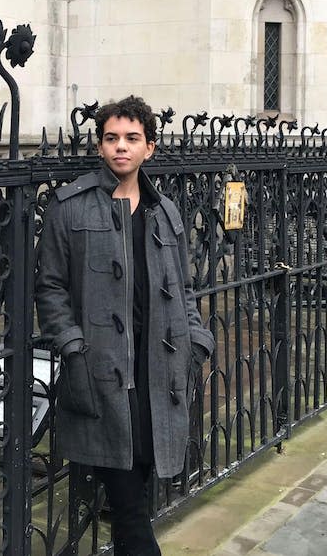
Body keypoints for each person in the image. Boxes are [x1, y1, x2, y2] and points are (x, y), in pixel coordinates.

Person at [35, 95, 215, 555]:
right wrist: (73, 346)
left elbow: (184, 288)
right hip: (102, 374)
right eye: (112, 138)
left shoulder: (166, 212)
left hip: (160, 373)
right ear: (99, 146)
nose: (121, 147)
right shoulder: (70, 207)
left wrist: (197, 341)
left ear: (149, 147)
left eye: (132, 138)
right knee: (132, 513)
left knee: (137, 491)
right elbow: (51, 287)